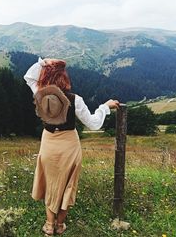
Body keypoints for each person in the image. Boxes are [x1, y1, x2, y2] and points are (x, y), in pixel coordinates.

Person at [24, 57, 120, 235]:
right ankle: (60, 225)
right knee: (68, 184)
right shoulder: (75, 99)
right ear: (64, 77)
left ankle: (48, 225)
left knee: (51, 183)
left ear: (45, 76)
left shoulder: (39, 93)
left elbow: (29, 77)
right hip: (69, 145)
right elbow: (93, 124)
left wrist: (44, 62)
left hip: (49, 144)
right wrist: (105, 107)